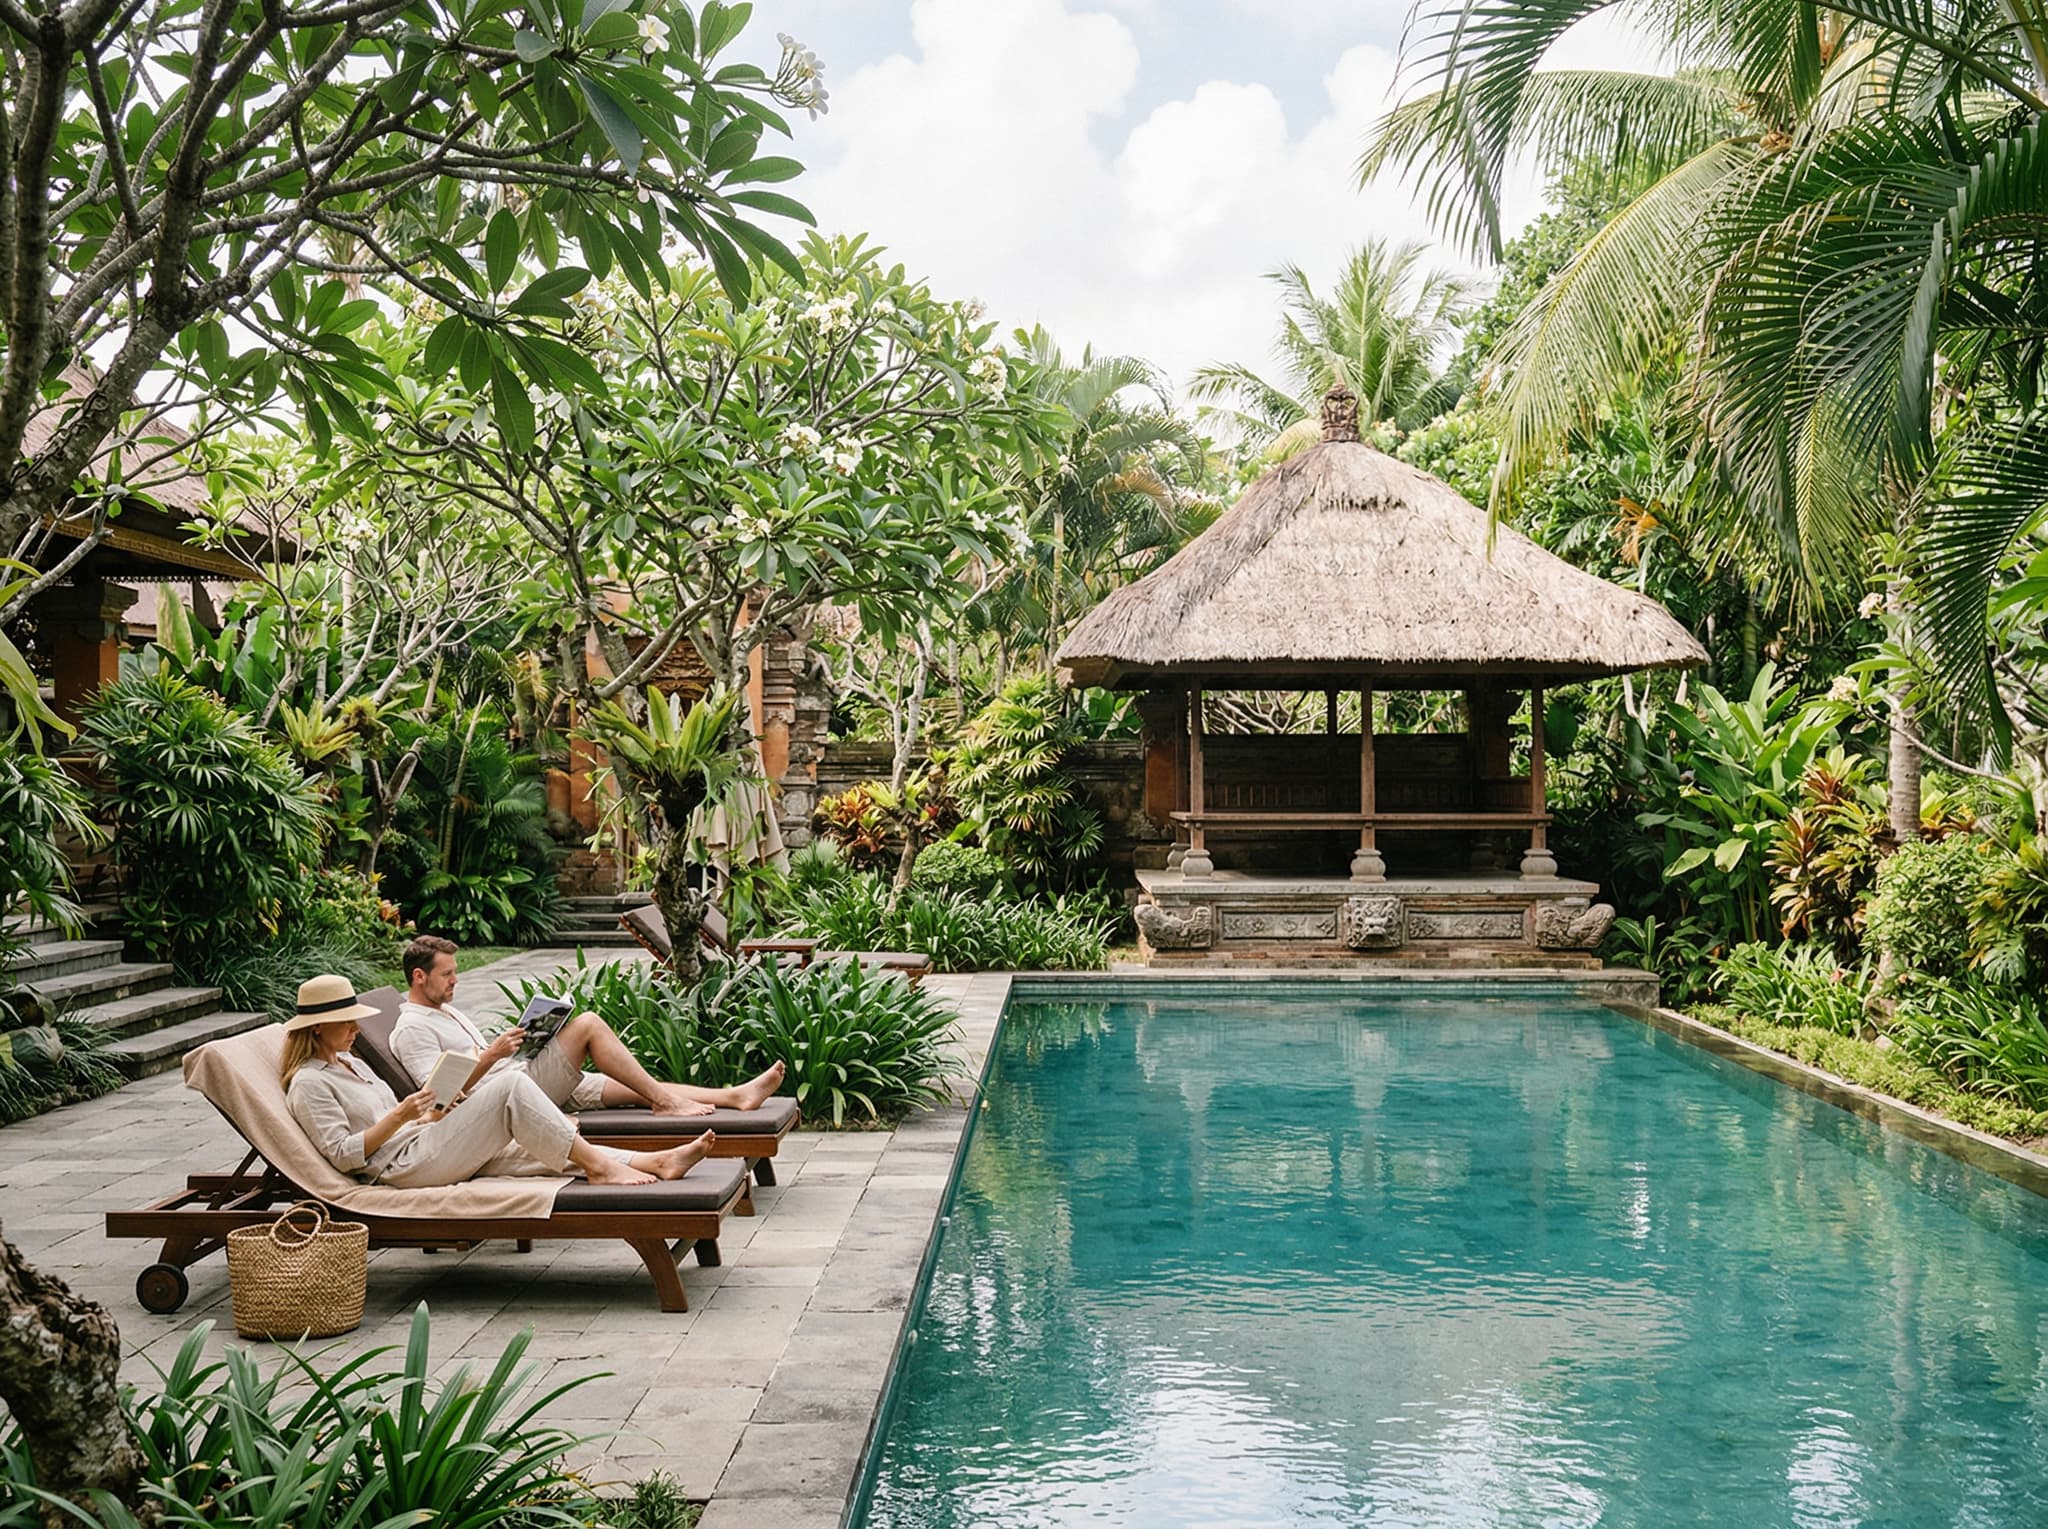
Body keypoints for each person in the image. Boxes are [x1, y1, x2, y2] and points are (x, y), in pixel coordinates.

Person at [283, 974, 714, 1188]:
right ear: (317, 1027)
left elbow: (398, 1119)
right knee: (509, 1088)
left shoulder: (350, 1064)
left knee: (533, 1148)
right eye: (347, 1022)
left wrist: (430, 1113)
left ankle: (655, 1162)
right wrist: (400, 1116)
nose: (355, 1029)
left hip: (421, 1140)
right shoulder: (309, 1083)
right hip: (400, 1166)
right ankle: (601, 1168)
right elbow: (343, 1156)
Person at [389, 935, 784, 1120]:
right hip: (500, 1100)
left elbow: (474, 1061)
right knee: (589, 1025)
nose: (456, 980)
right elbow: (436, 1098)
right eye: (447, 974)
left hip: (517, 1076)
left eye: (455, 972)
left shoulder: (446, 1012)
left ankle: (735, 1096)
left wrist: (528, 1038)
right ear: (419, 977)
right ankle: (667, 1103)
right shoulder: (411, 1028)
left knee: (636, 1086)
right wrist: (492, 1054)